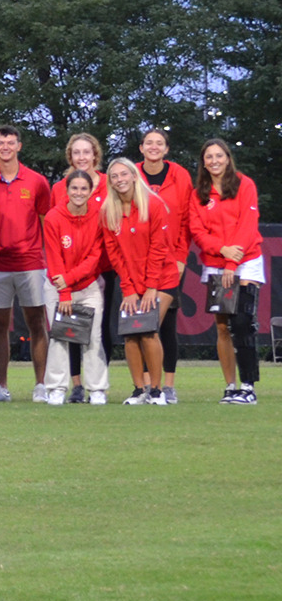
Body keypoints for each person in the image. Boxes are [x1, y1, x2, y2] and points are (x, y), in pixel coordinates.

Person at [0, 125, 53, 402]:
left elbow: (47, 224)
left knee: (36, 324)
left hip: (31, 262)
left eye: (10, 142)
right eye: (0, 142)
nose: (5, 146)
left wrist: (50, 261)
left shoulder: (37, 182)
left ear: (19, 146)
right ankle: (0, 387)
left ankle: (41, 385)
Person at [191, 138, 263, 404]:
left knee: (242, 323)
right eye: (209, 157)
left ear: (228, 158)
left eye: (219, 156)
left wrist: (232, 262)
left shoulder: (245, 184)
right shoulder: (198, 192)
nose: (214, 161)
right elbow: (197, 231)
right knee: (222, 327)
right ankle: (231, 386)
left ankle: (248, 386)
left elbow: (248, 224)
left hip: (246, 261)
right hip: (216, 262)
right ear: (203, 162)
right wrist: (222, 251)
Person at [101, 159, 177, 404]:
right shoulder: (108, 211)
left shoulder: (153, 204)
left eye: (124, 174)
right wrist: (129, 289)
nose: (120, 179)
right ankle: (139, 390)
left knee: (147, 329)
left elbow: (158, 249)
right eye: (114, 176)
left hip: (161, 279)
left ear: (134, 175)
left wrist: (150, 287)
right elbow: (115, 255)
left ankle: (157, 391)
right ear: (110, 181)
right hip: (132, 283)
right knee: (130, 334)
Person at [135, 129, 193, 401]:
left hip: (170, 262)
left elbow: (186, 221)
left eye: (159, 143)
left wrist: (181, 257)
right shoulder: (131, 173)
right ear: (141, 148)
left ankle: (168, 385)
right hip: (139, 263)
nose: (154, 147)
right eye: (149, 143)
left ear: (166, 149)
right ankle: (147, 385)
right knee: (142, 324)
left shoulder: (180, 175)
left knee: (166, 324)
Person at [42, 170, 108, 406]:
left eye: (83, 189)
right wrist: (64, 292)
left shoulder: (100, 217)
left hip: (88, 286)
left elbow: (94, 258)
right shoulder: (53, 217)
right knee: (59, 337)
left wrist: (68, 282)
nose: (78, 193)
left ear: (91, 191)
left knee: (93, 338)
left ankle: (97, 389)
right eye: (74, 188)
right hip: (57, 288)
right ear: (66, 190)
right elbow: (53, 257)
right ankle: (57, 388)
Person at [51, 132, 109, 209]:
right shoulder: (58, 189)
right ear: (70, 156)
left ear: (94, 155)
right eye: (76, 153)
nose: (81, 157)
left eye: (86, 152)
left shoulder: (110, 184)